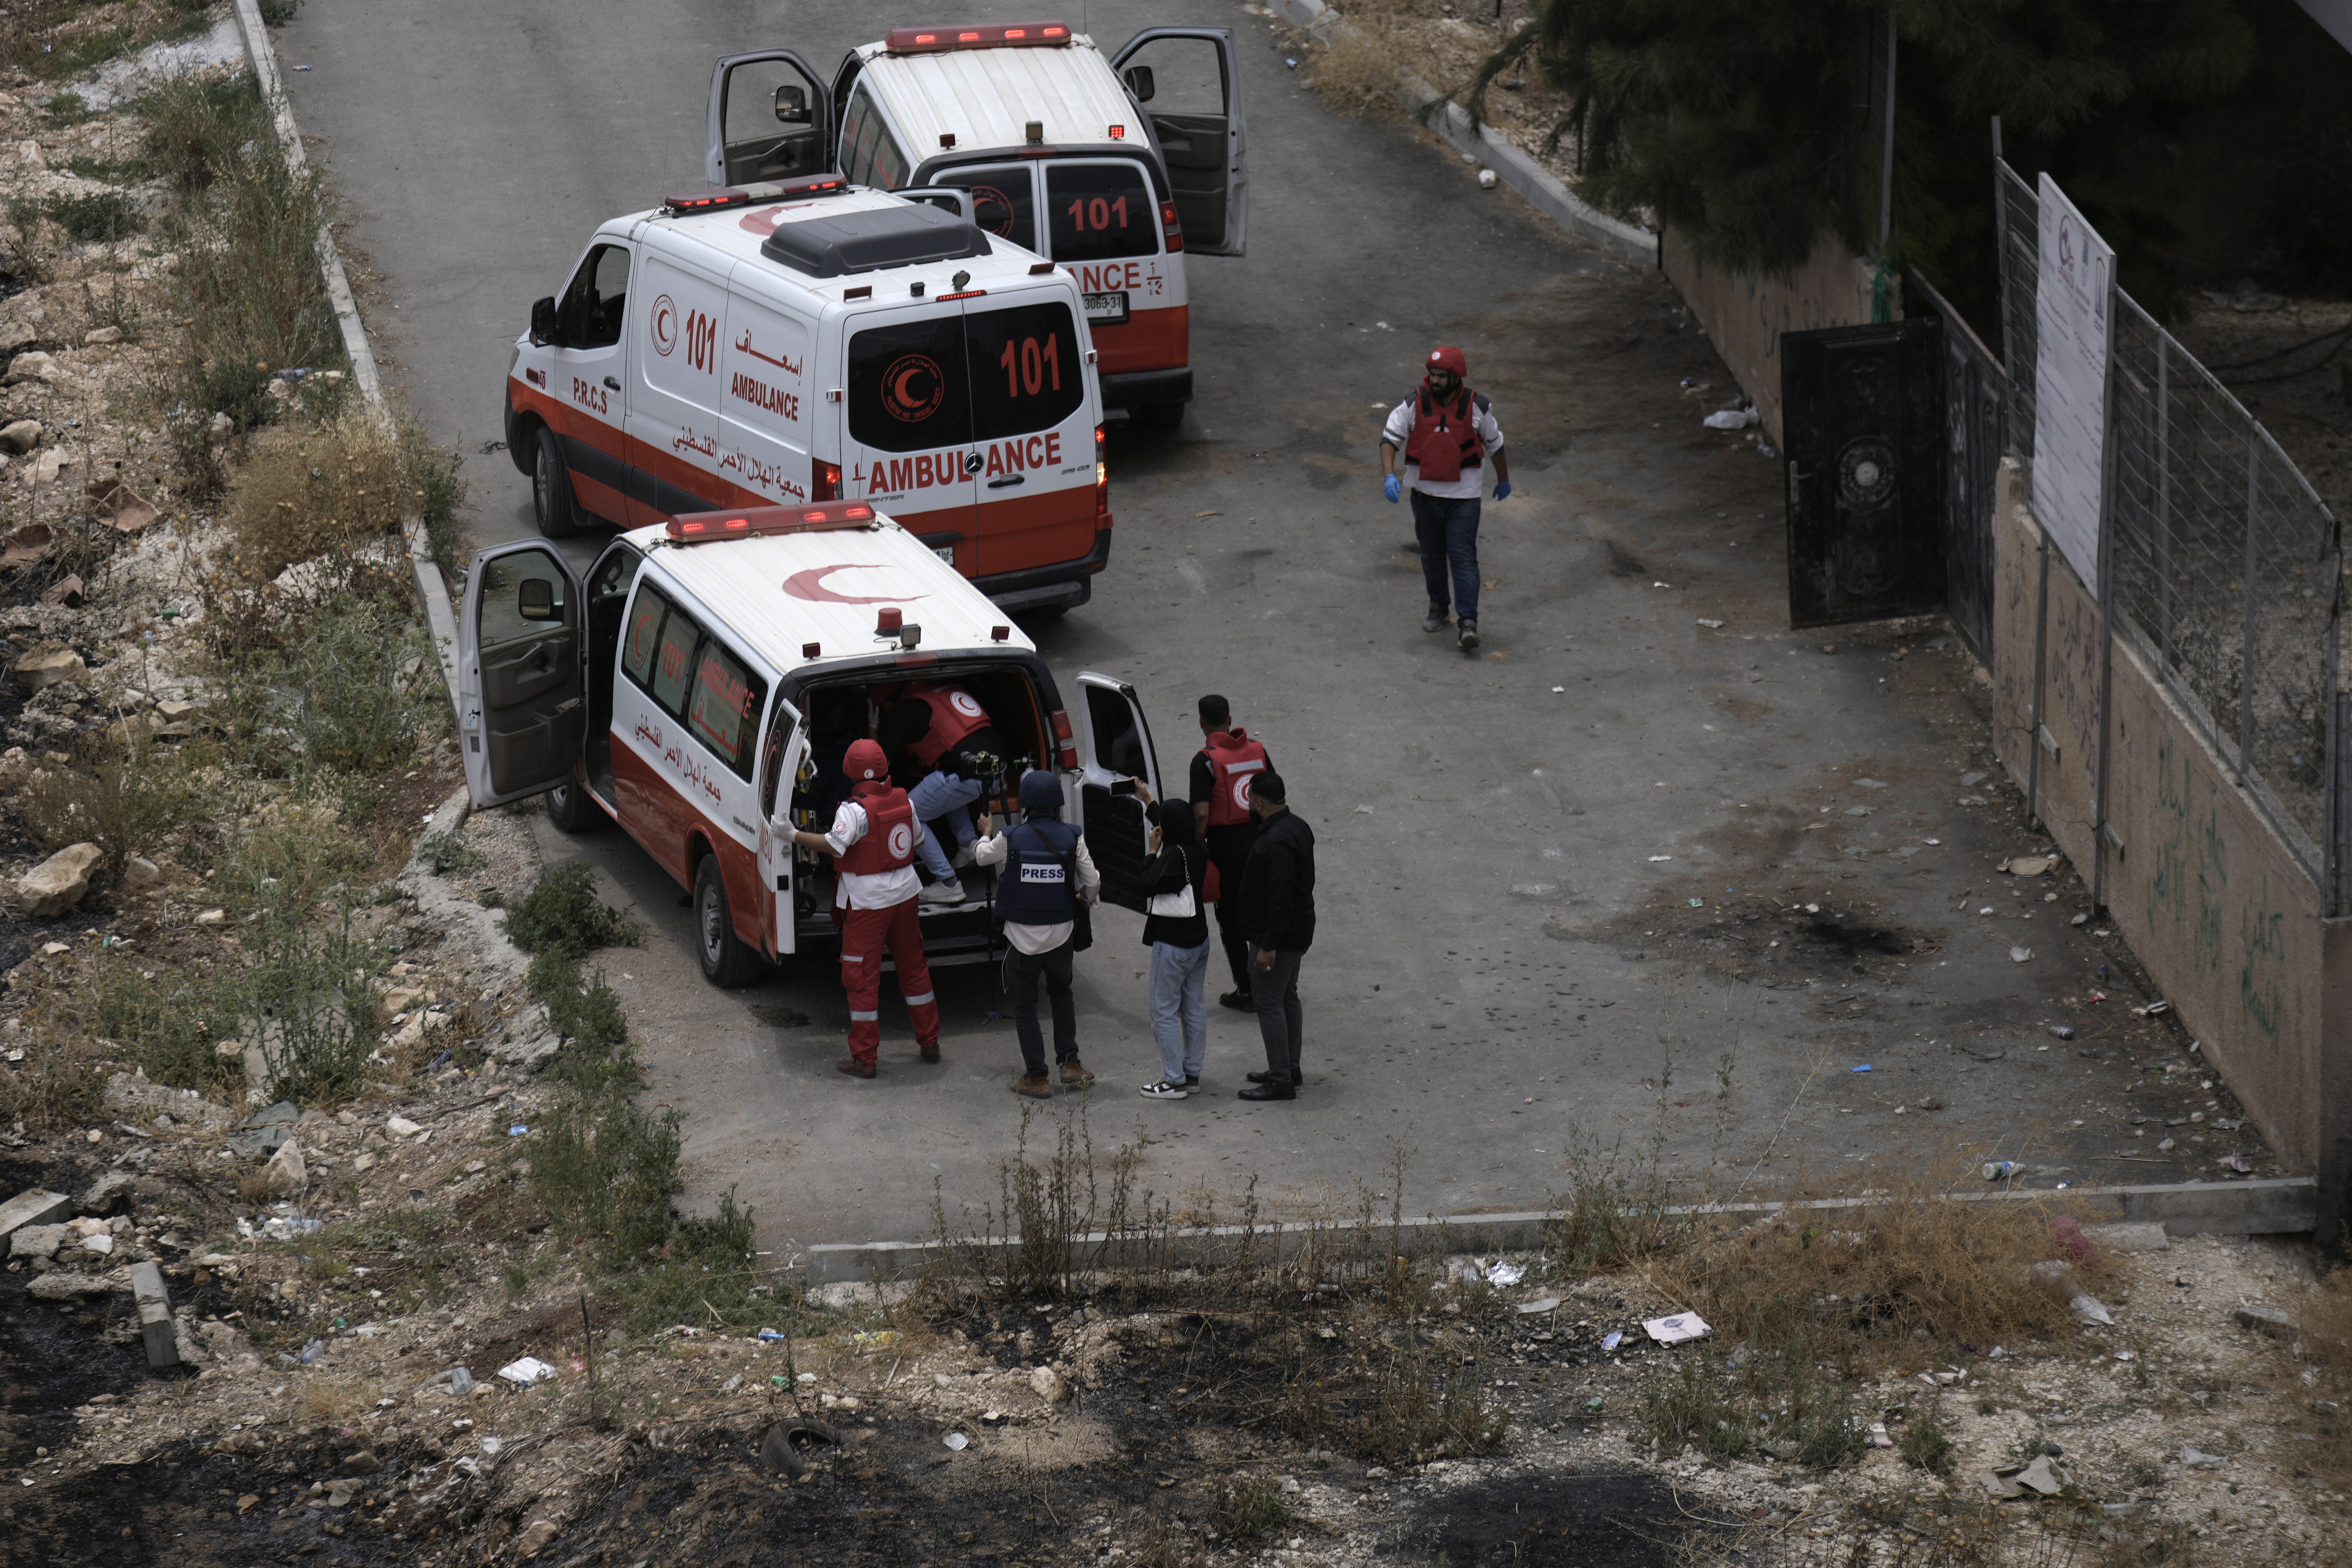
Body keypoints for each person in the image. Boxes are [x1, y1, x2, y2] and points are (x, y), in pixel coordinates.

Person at [789, 739, 941, 1079]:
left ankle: (865, 1058)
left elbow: (834, 845)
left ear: (849, 772)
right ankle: (930, 1041)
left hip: (867, 905)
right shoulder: (905, 800)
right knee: (915, 969)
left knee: (861, 980)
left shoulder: (852, 810)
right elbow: (917, 841)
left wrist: (793, 834)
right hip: (906, 897)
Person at [974, 771, 1100, 1099]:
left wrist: (985, 834)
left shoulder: (1011, 837)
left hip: (1022, 940)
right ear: (1058, 804)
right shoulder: (1073, 837)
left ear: (1026, 805)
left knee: (1026, 1005)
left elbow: (982, 858)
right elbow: (1093, 881)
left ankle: (1037, 1078)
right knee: (1062, 995)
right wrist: (1084, 901)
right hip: (1062, 937)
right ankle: (1071, 1064)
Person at [1379, 344, 1510, 651]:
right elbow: (1390, 439)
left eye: (1442, 376)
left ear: (1456, 377)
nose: (1435, 381)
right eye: (1433, 375)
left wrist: (1504, 480)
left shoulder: (1477, 407)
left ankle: (1468, 624)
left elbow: (1495, 445)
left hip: (1464, 500)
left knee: (1463, 560)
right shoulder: (1414, 403)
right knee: (1432, 557)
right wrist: (1388, 475)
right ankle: (1438, 607)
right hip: (1424, 497)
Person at [877, 682, 1006, 906]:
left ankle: (948, 884)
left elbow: (877, 765)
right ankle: (968, 845)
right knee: (943, 789)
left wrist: (873, 728)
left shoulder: (901, 711)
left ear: (885, 703)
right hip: (998, 770)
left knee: (907, 814)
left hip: (969, 776)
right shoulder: (940, 692)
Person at [1234, 771, 1315, 1102]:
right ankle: (1289, 1068)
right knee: (1287, 997)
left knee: (1268, 1003)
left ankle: (1281, 1080)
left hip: (1279, 939)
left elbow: (1280, 899)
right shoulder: (1298, 827)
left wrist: (1268, 946)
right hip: (1296, 932)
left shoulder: (1275, 842)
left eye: (1250, 802)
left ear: (1258, 804)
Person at [1130, 775, 1210, 1100]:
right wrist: (1148, 800)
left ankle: (1173, 1081)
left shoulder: (1172, 856)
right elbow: (1173, 822)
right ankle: (1191, 1075)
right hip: (1199, 941)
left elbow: (1146, 883)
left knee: (1163, 1011)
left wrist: (1151, 852)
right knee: (1194, 1008)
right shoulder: (1198, 843)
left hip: (1173, 945)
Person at [1189, 694, 1269, 1015]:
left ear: (1201, 723)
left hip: (1226, 853)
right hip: (1262, 843)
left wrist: (1196, 847)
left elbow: (1201, 814)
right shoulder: (1258, 750)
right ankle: (1273, 984)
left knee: (1232, 921)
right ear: (1230, 719)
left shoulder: (1204, 762)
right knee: (1265, 911)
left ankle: (1247, 991)